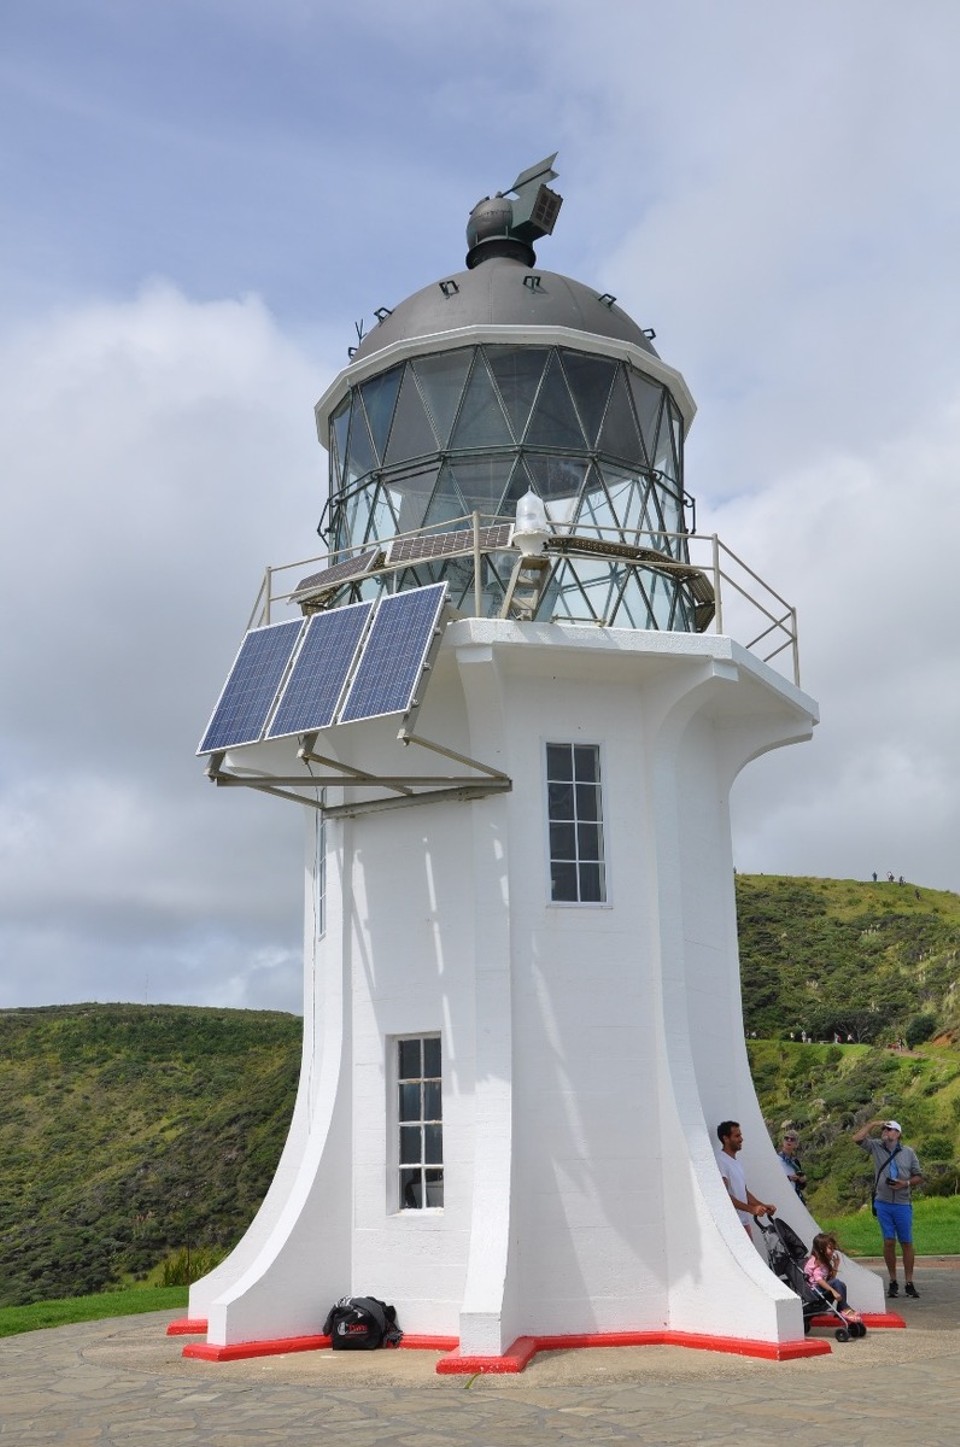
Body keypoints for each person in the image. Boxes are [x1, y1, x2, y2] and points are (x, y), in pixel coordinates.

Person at [852, 1118, 923, 1298]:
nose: (886, 1131)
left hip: (902, 1203)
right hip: (883, 1202)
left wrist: (904, 1183)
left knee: (906, 1242)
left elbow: (918, 1176)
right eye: (884, 1129)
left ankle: (909, 1282)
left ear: (898, 1134)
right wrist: (873, 1124)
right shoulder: (876, 1146)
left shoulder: (908, 1152)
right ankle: (892, 1280)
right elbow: (857, 1138)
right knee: (889, 1241)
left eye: (890, 1129)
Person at [716, 1121, 776, 1233]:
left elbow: (745, 1193)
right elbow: (723, 1196)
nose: (741, 1139)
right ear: (726, 1138)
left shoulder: (736, 1162)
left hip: (744, 1222)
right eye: (737, 1136)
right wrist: (752, 1209)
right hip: (734, 1225)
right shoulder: (721, 1161)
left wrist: (763, 1206)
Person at [803, 1232, 858, 1319]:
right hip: (814, 1291)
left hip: (820, 1288)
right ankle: (845, 1308)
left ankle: (841, 1309)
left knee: (841, 1284)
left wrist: (836, 1265)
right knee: (836, 1283)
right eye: (830, 1248)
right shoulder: (816, 1262)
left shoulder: (823, 1262)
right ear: (821, 1249)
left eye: (833, 1248)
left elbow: (831, 1279)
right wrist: (833, 1291)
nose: (833, 1251)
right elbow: (819, 1279)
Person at [777, 1131, 807, 1201]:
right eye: (786, 1138)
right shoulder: (776, 1158)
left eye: (792, 1139)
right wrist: (789, 1178)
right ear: (783, 1141)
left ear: (796, 1144)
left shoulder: (795, 1162)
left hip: (794, 1197)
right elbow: (773, 1178)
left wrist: (802, 1180)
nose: (789, 1140)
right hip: (780, 1196)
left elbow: (802, 1186)